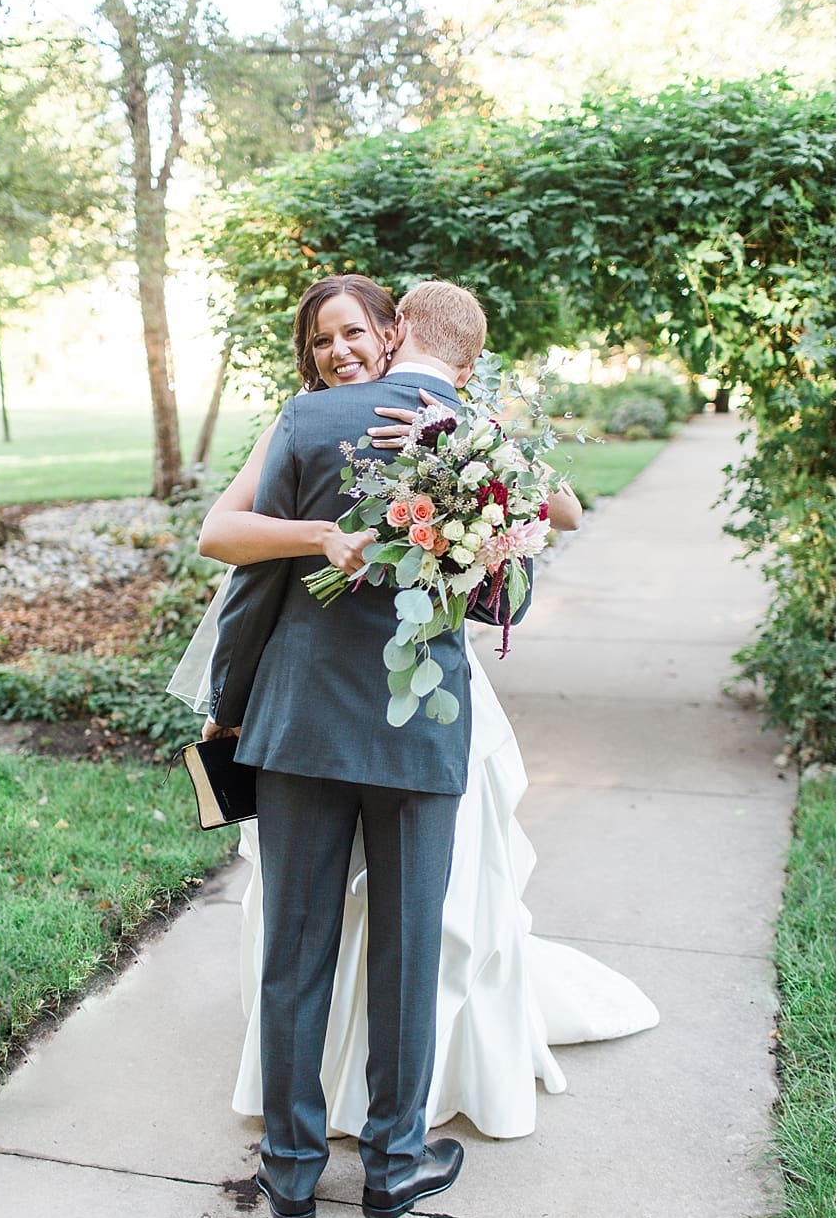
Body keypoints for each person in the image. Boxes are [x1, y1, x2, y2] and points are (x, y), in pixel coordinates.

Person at [174, 276, 657, 1158]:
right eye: (325, 339)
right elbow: (506, 596)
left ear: (395, 333)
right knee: (410, 952)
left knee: (294, 950)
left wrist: (226, 706)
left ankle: (288, 1166)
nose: (343, 352)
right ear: (469, 359)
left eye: (355, 333)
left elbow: (248, 593)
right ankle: (396, 1163)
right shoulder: (484, 440)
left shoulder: (310, 420)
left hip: (300, 723)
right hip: (417, 729)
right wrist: (468, 473)